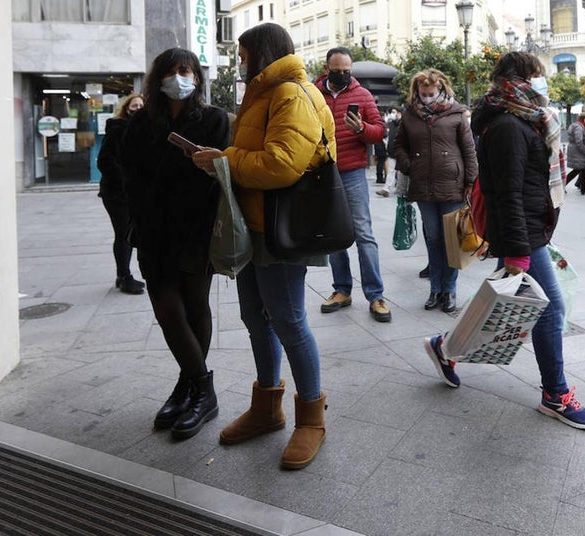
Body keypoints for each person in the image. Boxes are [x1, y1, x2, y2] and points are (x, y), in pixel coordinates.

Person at [423, 51, 585, 431]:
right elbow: (508, 193)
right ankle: (555, 394)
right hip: (522, 234)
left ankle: (445, 345)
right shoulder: (507, 126)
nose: (543, 83)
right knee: (548, 310)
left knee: (502, 301)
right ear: (522, 79)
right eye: (538, 76)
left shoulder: (524, 118)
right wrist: (519, 250)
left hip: (530, 229)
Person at [191, 23, 331, 470]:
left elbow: (282, 164)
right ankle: (267, 408)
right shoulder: (263, 93)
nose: (240, 60)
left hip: (282, 228)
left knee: (288, 320)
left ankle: (311, 418)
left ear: (260, 53)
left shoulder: (291, 93)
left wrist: (223, 161)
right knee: (256, 317)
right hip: (253, 224)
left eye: (244, 53)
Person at [120, 48, 229, 440]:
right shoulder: (141, 123)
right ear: (157, 79)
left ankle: (189, 388)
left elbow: (218, 174)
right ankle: (201, 388)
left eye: (185, 71)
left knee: (195, 305)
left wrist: (203, 163)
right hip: (153, 231)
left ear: (197, 77)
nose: (178, 78)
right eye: (170, 71)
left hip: (197, 230)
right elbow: (128, 174)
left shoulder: (215, 119)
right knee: (167, 309)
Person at [313, 47, 392, 323]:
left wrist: (361, 129)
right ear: (327, 69)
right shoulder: (313, 93)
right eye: (338, 71)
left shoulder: (362, 94)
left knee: (364, 234)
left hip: (353, 173)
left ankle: (376, 294)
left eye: (347, 71)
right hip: (323, 172)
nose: (343, 75)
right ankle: (342, 290)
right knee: (334, 234)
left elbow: (379, 131)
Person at [394, 68, 477, 313]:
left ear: (440, 89)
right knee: (433, 239)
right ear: (416, 92)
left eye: (431, 93)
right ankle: (435, 289)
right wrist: (409, 164)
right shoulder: (410, 114)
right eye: (423, 93)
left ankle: (449, 290)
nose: (427, 97)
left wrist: (471, 180)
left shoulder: (457, 113)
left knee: (451, 241)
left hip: (452, 185)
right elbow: (398, 145)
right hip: (423, 185)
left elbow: (469, 149)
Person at [96, 93, 145, 295]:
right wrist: (126, 181)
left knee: (127, 233)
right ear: (126, 108)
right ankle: (124, 277)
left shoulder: (141, 130)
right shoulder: (117, 129)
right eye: (135, 105)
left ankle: (122, 275)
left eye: (142, 105)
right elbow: (105, 161)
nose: (138, 108)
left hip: (131, 192)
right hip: (116, 193)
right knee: (124, 235)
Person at [565, 104, 585, 195]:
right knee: (578, 170)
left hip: (580, 151)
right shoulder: (578, 126)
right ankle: (563, 185)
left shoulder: (584, 125)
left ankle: (584, 189)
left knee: (584, 169)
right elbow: (579, 141)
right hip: (578, 152)